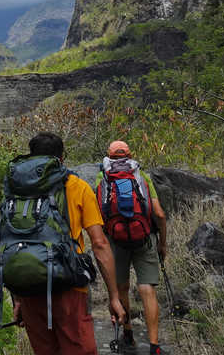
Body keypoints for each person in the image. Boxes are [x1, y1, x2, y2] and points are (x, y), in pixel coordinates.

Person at [12, 132, 127, 355]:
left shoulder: (18, 190)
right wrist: (114, 296)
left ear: (31, 157)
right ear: (61, 158)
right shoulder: (77, 186)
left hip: (28, 290)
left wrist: (18, 299)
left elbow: (12, 241)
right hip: (69, 287)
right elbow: (100, 243)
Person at [99, 140, 168, 355]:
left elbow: (100, 214)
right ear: (130, 155)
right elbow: (159, 214)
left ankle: (128, 334)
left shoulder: (102, 178)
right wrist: (162, 243)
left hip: (116, 241)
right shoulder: (142, 176)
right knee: (147, 289)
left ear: (109, 157)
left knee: (121, 288)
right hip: (144, 238)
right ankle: (154, 346)